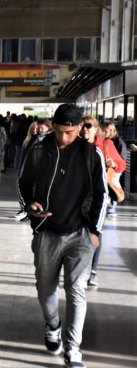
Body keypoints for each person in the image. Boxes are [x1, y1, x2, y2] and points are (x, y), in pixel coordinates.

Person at [17, 103, 107, 368]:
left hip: (80, 234)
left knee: (77, 290)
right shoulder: (40, 148)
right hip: (46, 232)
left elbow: (102, 194)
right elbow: (23, 182)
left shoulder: (91, 154)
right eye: (58, 131)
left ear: (79, 128)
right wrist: (30, 203)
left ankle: (73, 347)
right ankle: (52, 324)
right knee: (45, 287)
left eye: (68, 132)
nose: (62, 137)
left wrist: (95, 231)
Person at [80, 116, 126, 288]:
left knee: (96, 231)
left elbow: (122, 165)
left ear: (95, 128)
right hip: (79, 196)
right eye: (82, 126)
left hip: (99, 197)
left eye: (88, 126)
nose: (85, 129)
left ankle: (92, 271)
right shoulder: (76, 146)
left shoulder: (106, 144)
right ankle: (80, 267)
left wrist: (113, 163)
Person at [14, 118, 52, 221]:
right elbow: (27, 154)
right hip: (31, 169)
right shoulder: (33, 139)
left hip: (43, 172)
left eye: (41, 128)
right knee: (25, 186)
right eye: (37, 128)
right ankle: (28, 208)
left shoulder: (50, 139)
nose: (39, 130)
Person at [102, 122, 128, 218]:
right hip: (108, 168)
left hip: (115, 170)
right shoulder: (105, 141)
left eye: (106, 131)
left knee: (113, 187)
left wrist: (115, 165)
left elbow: (121, 159)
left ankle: (112, 209)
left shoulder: (118, 142)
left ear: (112, 131)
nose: (104, 133)